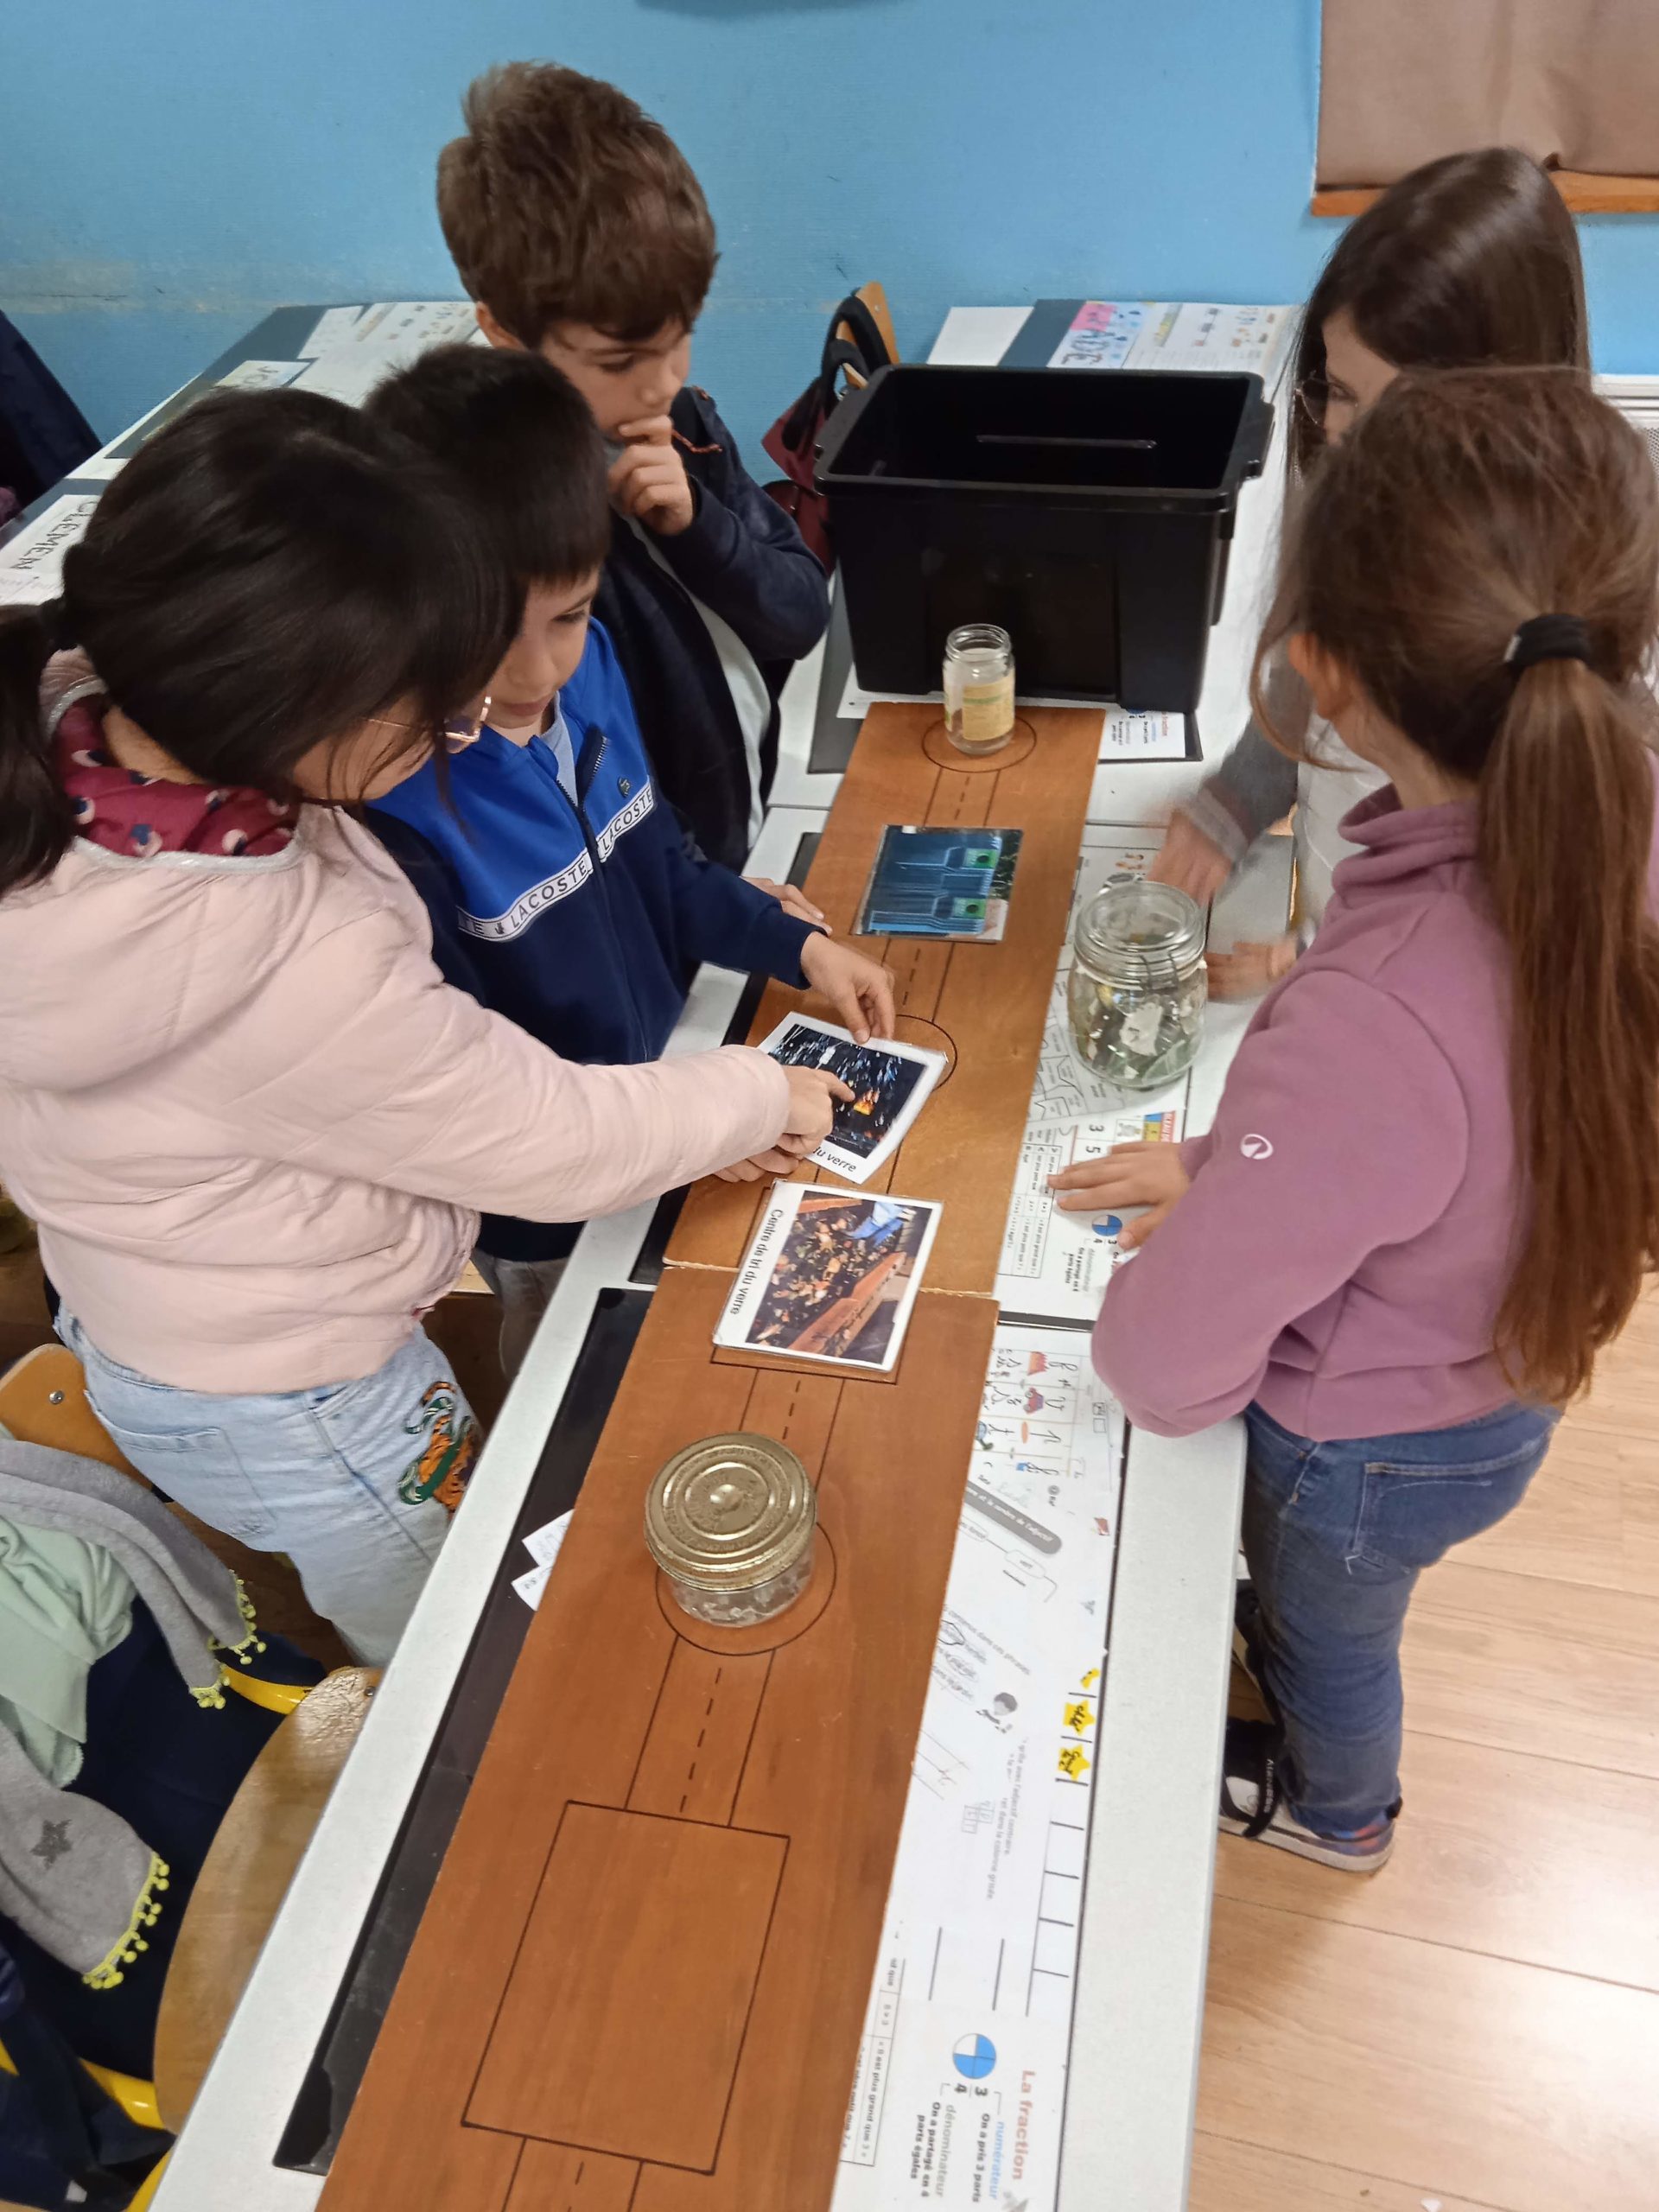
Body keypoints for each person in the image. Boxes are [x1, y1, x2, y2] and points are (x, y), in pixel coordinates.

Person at [0, 389, 842, 1665]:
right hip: (307, 1394)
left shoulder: (90, 727)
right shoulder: (281, 968)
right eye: (432, 702)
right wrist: (759, 1092)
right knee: (463, 1650)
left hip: (185, 1316)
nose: (469, 720)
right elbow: (550, 1140)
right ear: (301, 706)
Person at [1087, 369, 1659, 1871]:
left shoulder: (1377, 1014)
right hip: (1500, 1367)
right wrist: (1232, 1168)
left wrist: (1221, 1213)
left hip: (1367, 1448)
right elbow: (1462, 1141)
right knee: (1343, 1608)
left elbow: (1161, 1364)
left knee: (1328, 1639)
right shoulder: (1621, 814)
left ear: (1323, 673)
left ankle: (1338, 1811)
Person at [363, 345, 890, 1372]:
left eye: (569, 616)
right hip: (554, 1211)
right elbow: (491, 1112)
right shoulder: (395, 811)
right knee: (583, 1376)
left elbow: (663, 866)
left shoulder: (594, 668)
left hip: (680, 1101)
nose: (538, 674)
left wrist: (793, 945)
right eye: (489, 637)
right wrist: (694, 1126)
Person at [1150, 146, 1589, 996]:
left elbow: (1501, 920)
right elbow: (1311, 667)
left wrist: (1320, 956)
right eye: (1339, 391)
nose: (1345, 442)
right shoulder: (1360, 487)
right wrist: (1237, 801)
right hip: (1352, 923)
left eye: (1395, 410)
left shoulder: (1561, 632)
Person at [435, 60, 830, 874]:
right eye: (619, 361)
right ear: (504, 332)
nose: (661, 383)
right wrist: (707, 900)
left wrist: (699, 529)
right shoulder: (508, 524)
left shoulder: (679, 421)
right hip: (671, 882)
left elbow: (799, 613)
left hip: (745, 817)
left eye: (680, 338)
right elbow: (573, 785)